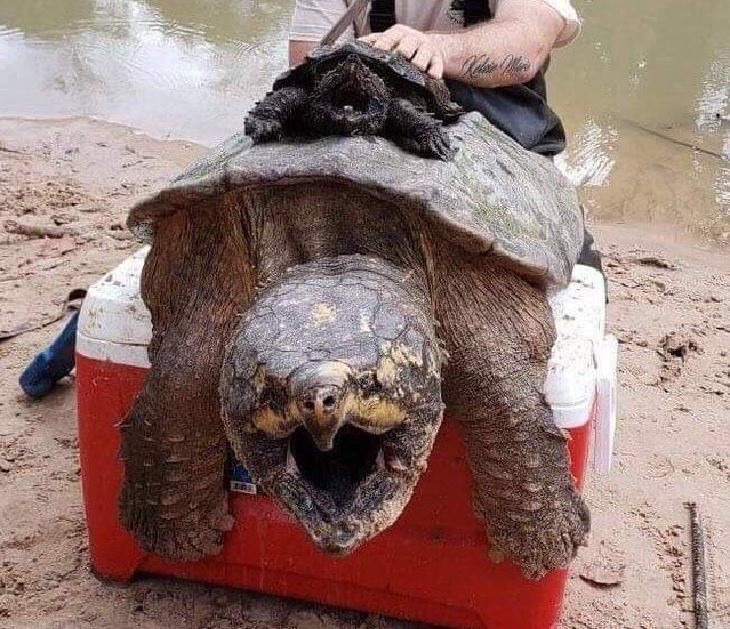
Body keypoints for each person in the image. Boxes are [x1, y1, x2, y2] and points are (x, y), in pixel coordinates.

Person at [288, 0, 604, 274]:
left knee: (570, 264)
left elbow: (528, 42)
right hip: (376, 143)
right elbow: (307, 64)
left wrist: (435, 49)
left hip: (502, 147)